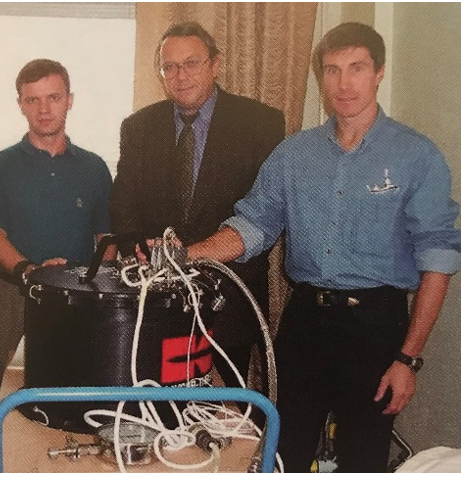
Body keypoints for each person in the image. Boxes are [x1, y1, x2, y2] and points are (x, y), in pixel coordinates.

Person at [187, 22, 459, 473]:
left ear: (379, 73)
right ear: (320, 76)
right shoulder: (294, 155)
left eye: (357, 68)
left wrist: (407, 358)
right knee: (282, 451)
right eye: (332, 70)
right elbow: (252, 225)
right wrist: (188, 253)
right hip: (305, 323)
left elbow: (438, 258)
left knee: (363, 457)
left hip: (377, 325)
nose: (344, 83)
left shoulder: (417, 156)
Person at [109, 22, 285, 390]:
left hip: (230, 303)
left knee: (227, 415)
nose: (180, 75)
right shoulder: (138, 128)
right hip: (157, 304)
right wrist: (142, 253)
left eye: (191, 63)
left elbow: (268, 215)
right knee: (160, 412)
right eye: (169, 67)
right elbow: (123, 210)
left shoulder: (261, 123)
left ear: (215, 64)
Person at [0, 59, 112, 420]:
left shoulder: (95, 167)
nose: (44, 109)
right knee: (4, 401)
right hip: (14, 294)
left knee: (78, 401)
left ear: (70, 100)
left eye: (53, 97)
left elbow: (105, 235)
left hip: (81, 297)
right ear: (20, 104)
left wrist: (97, 278)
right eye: (32, 100)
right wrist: (31, 271)